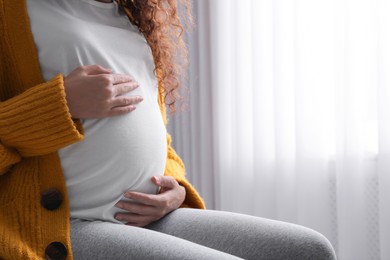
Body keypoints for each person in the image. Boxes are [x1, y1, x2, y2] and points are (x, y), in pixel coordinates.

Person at [0, 0, 337, 259]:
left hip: (141, 216)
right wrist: (59, 106)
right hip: (57, 222)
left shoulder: (130, 19)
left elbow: (156, 136)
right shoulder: (12, 15)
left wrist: (174, 191)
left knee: (308, 249)